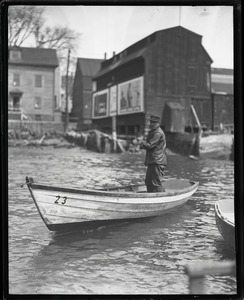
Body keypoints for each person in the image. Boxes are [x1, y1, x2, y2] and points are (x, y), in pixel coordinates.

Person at [140, 115, 167, 192]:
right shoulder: (154, 131)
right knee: (148, 182)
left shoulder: (157, 133)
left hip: (157, 161)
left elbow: (150, 145)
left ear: (158, 123)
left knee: (156, 183)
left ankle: (161, 198)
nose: (151, 124)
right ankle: (150, 197)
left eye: (153, 122)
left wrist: (142, 144)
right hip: (153, 161)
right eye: (150, 122)